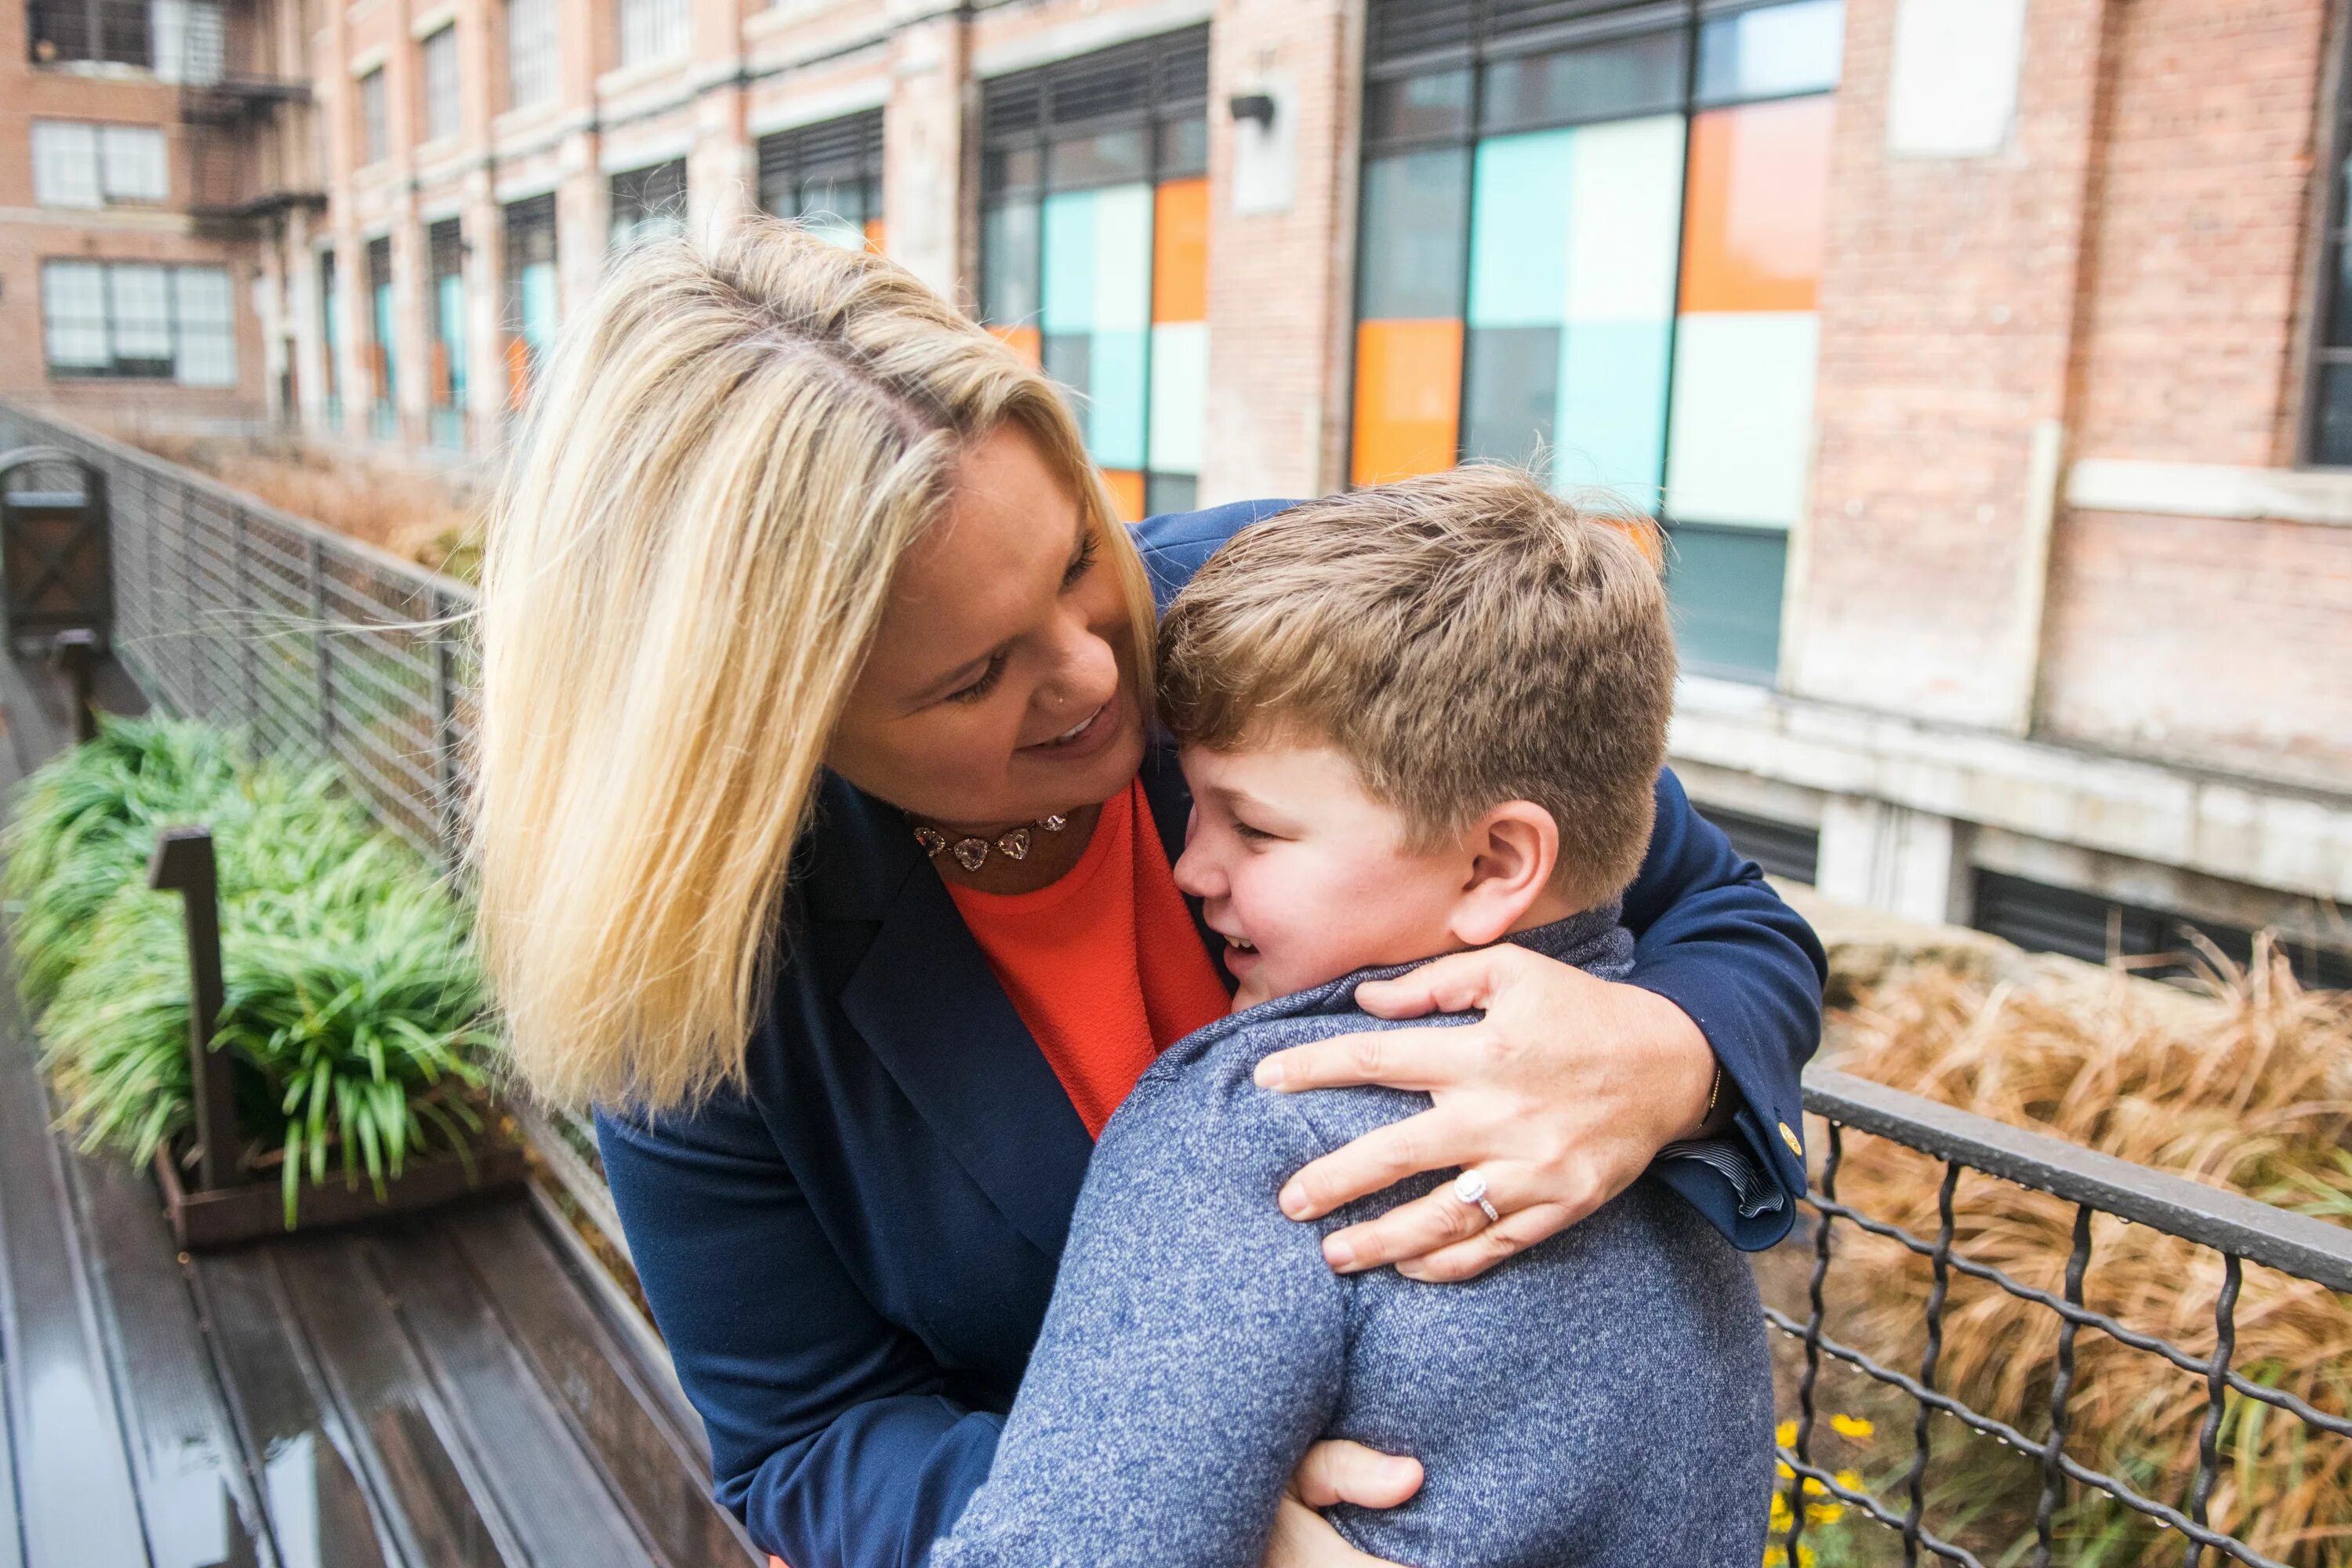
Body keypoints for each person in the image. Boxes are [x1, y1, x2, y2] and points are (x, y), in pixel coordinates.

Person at [470, 220, 1824, 1568]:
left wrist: (1664, 1058)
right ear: (766, 730)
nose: (1098, 674)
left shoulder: (1283, 629)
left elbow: (1728, 919)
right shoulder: (696, 959)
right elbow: (806, 1439)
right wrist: (1202, 1508)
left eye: (1074, 560)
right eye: (971, 675)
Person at [933, 466, 1772, 1568]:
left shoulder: (1247, 1130)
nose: (1190, 866)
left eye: (1257, 830)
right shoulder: (1666, 1162)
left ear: (1495, 862)